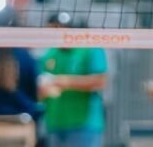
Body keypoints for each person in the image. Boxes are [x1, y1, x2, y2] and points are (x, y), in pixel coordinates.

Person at [38, 12, 108, 147]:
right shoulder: (50, 53)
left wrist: (65, 81)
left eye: (59, 29)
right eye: (52, 30)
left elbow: (100, 81)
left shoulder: (91, 48)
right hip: (55, 123)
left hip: (84, 125)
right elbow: (40, 89)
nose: (56, 34)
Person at [0, 48, 42, 121]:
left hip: (21, 115)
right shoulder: (24, 56)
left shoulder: (24, 56)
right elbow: (34, 96)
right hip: (22, 115)